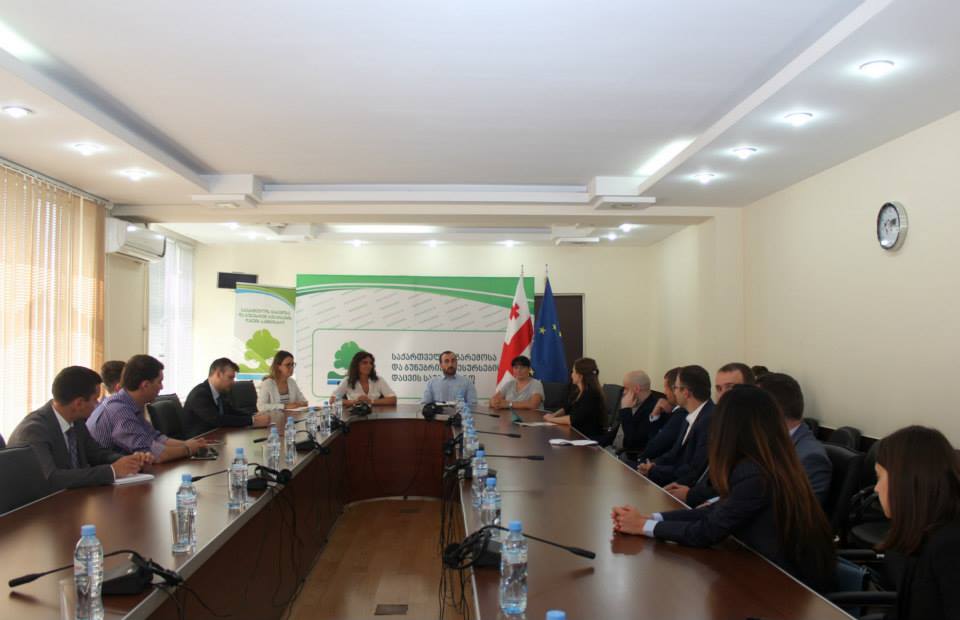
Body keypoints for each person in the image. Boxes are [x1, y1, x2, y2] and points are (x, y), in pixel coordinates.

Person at [612, 385, 836, 590]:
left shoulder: (755, 472)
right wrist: (651, 518)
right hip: (767, 569)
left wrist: (643, 526)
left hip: (787, 585)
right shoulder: (766, 460)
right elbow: (717, 511)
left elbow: (707, 531)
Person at [8, 366, 150, 489]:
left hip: (73, 498)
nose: (98, 404)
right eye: (95, 399)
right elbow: (53, 478)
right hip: (41, 506)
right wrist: (112, 471)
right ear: (79, 403)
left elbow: (96, 454)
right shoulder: (34, 431)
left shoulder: (77, 421)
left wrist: (129, 461)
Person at [874, 426, 960, 620]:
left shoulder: (950, 547)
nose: (876, 488)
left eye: (879, 477)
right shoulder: (926, 534)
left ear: (905, 481)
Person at [87, 355, 208, 462]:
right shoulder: (119, 410)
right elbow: (155, 454)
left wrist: (188, 443)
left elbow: (154, 437)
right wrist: (188, 449)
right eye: (159, 382)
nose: (162, 387)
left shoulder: (130, 403)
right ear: (145, 385)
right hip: (107, 478)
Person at [664, 362, 754, 502]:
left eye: (730, 387)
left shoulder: (752, 432)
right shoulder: (721, 423)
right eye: (719, 388)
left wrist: (692, 495)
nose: (723, 395)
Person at [638, 365, 713, 487]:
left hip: (685, 487)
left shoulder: (709, 421)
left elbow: (693, 469)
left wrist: (654, 470)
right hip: (672, 476)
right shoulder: (690, 414)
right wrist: (653, 464)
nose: (674, 392)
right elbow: (674, 454)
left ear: (686, 392)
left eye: (676, 388)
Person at [182, 358, 270, 437]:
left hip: (216, 437)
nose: (233, 382)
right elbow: (217, 419)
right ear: (218, 374)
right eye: (230, 377)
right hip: (199, 441)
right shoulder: (199, 394)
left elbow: (231, 411)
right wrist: (252, 420)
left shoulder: (221, 392)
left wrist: (253, 415)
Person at [598, 370, 667, 457]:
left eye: (626, 388)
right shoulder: (634, 403)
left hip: (626, 457)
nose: (624, 392)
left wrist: (626, 410)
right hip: (611, 450)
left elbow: (633, 443)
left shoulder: (653, 410)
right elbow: (616, 433)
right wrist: (595, 444)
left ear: (637, 389)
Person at [633, 367, 686, 465]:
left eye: (665, 387)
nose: (664, 392)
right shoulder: (670, 410)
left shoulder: (681, 414)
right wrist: (655, 415)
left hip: (656, 466)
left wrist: (641, 459)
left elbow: (653, 447)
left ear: (674, 389)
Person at [543, 358, 606, 438]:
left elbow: (571, 419)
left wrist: (550, 419)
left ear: (580, 376)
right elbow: (566, 408)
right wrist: (553, 415)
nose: (571, 375)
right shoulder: (578, 392)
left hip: (586, 437)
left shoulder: (591, 394)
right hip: (576, 433)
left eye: (573, 372)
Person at [332, 351, 397, 406]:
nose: (369, 366)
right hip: (354, 415)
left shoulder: (379, 380)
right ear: (356, 365)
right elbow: (333, 399)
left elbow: (393, 399)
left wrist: (371, 401)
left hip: (375, 415)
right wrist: (354, 402)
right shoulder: (347, 380)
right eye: (364, 363)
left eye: (370, 363)